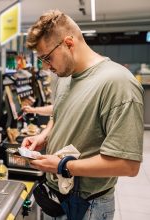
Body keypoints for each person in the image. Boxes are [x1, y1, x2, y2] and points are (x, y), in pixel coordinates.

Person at [22, 9, 144, 220]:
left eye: (47, 58)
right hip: (58, 195)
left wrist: (62, 165)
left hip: (89, 206)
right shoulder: (65, 76)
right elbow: (58, 115)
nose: (46, 66)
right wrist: (44, 136)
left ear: (69, 43)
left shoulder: (118, 83)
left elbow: (128, 165)